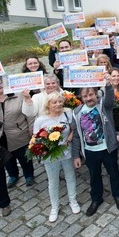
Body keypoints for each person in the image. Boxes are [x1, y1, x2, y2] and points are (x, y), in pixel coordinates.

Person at [71, 74, 119, 216]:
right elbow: (76, 136)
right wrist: (76, 155)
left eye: (91, 95)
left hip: (107, 148)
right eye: (85, 96)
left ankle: (117, 195)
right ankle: (96, 199)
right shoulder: (77, 113)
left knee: (113, 173)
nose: (89, 98)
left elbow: (110, 99)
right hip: (90, 151)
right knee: (94, 176)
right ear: (81, 98)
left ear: (96, 94)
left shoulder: (104, 106)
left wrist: (108, 84)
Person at [32, 92, 80, 222]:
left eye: (60, 101)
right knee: (53, 181)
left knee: (70, 176)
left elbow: (72, 130)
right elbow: (36, 138)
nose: (58, 104)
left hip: (66, 151)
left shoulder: (67, 113)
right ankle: (54, 207)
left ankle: (73, 200)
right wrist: (42, 149)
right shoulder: (41, 120)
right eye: (54, 102)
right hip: (50, 155)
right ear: (48, 104)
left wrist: (68, 140)